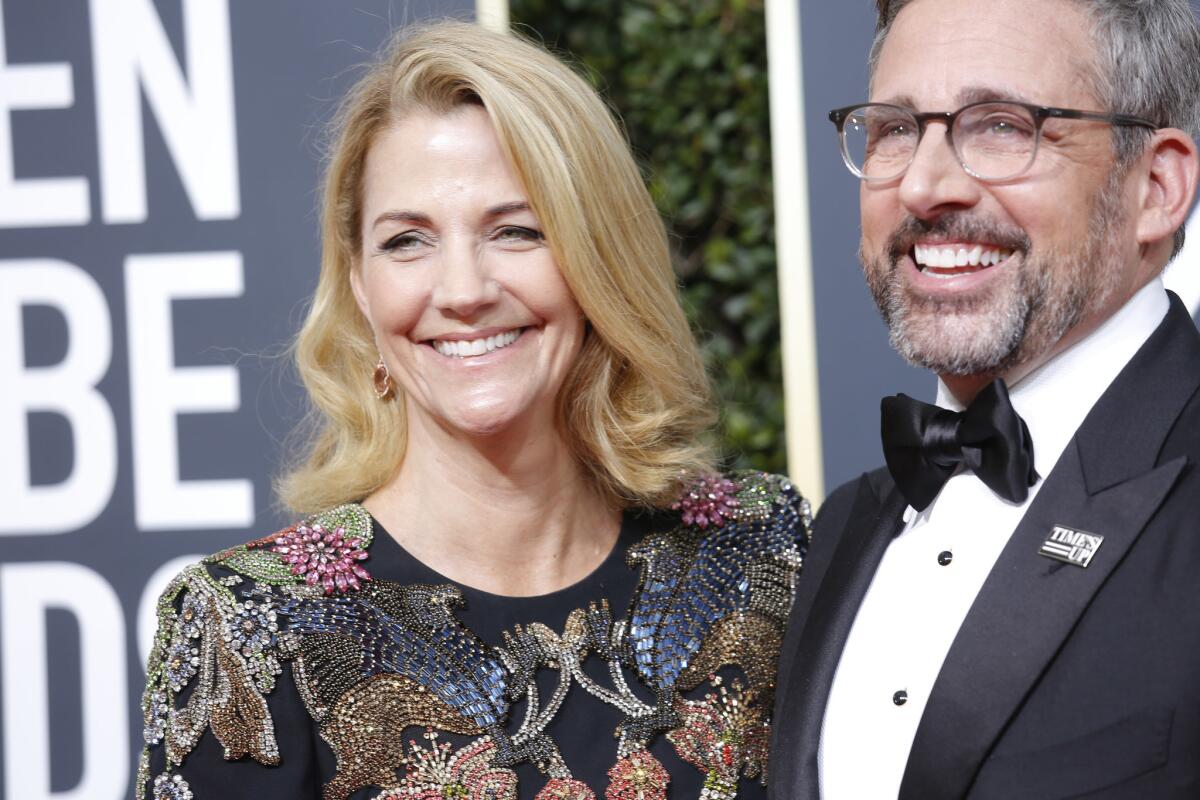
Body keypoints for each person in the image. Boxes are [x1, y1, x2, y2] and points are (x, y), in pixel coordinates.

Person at [136, 20, 807, 800]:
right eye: (407, 242)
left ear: (598, 257)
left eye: (516, 231)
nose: (462, 291)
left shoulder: (764, 553)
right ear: (360, 284)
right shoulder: (250, 628)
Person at [770, 0, 1200, 797]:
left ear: (1157, 185)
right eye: (896, 130)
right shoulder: (841, 528)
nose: (925, 187)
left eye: (1003, 125)